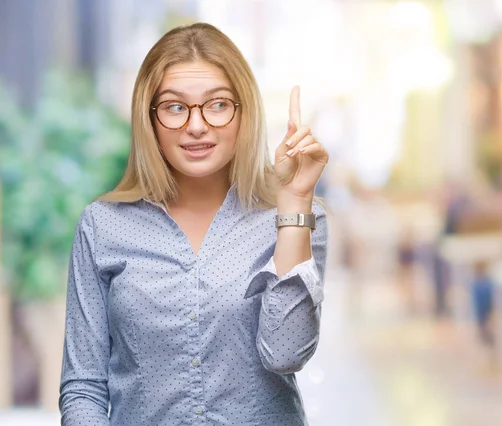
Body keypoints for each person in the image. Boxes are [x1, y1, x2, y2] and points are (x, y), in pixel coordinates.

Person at [59, 22, 329, 426]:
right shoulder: (102, 228)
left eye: (218, 104)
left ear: (244, 113)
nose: (197, 125)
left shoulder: (298, 216)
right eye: (174, 107)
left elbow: (287, 354)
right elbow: (83, 388)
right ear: (149, 119)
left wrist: (293, 202)